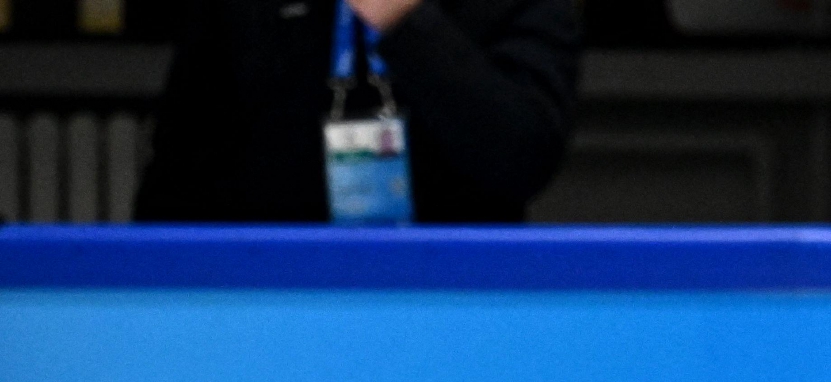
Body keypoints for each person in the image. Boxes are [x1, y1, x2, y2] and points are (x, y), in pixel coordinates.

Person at [135, 0, 578, 223]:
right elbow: (175, 184)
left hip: (457, 311)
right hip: (276, 313)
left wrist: (403, 18)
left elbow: (523, 155)